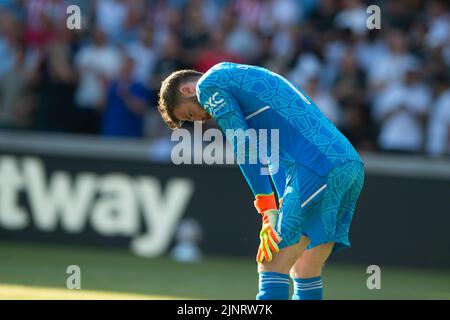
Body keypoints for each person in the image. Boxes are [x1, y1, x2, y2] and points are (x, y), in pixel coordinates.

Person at [157, 62, 365, 300]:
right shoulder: (246, 81)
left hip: (316, 167)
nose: (201, 119)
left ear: (187, 91)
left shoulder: (208, 84)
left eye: (191, 114)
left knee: (271, 264)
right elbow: (277, 160)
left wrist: (266, 208)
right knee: (305, 268)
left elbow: (242, 144)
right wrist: (275, 208)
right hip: (347, 164)